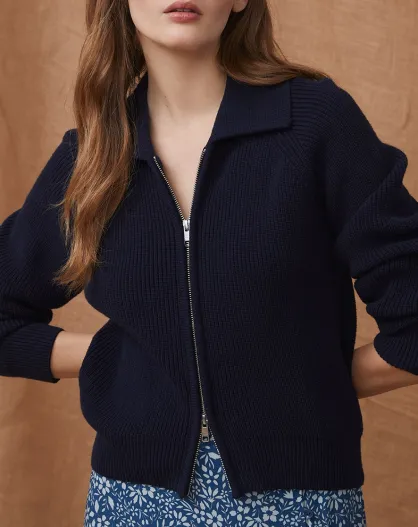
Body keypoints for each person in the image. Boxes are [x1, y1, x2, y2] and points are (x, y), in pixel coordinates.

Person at [1, 0, 418, 525]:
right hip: (132, 505)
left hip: (301, 504)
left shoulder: (316, 124)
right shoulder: (94, 156)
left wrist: (306, 379)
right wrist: (120, 363)